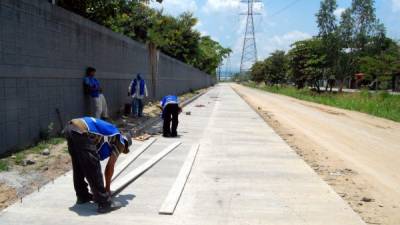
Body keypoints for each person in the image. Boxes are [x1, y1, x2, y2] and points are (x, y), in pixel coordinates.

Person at [63, 117, 132, 214]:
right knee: (93, 167)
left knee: (79, 165)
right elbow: (109, 167)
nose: (122, 151)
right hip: (82, 131)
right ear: (126, 143)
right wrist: (107, 190)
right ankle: (105, 203)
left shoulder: (110, 133)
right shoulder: (120, 142)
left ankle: (82, 196)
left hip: (71, 128)